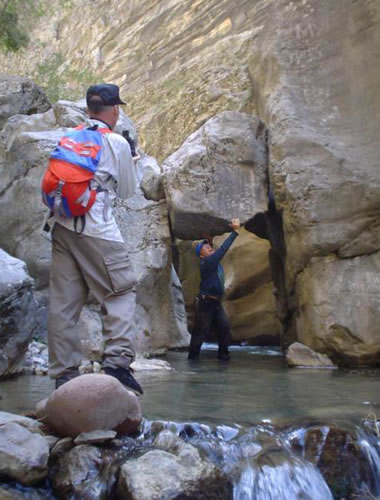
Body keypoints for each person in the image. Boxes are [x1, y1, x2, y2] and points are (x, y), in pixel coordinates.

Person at [46, 83, 143, 394]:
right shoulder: (115, 142)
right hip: (98, 231)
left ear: (89, 109)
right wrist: (132, 160)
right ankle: (116, 365)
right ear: (115, 110)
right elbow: (127, 191)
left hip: (61, 227)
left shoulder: (70, 136)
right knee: (120, 292)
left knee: (63, 304)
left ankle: (64, 376)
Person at [188, 218, 240, 361]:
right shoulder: (208, 262)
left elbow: (213, 248)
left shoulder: (212, 262)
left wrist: (208, 241)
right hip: (206, 302)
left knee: (224, 328)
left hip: (216, 303)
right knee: (201, 331)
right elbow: (222, 249)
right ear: (201, 255)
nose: (209, 248)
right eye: (205, 248)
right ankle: (193, 359)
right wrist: (234, 232)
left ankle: (223, 358)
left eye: (209, 246)